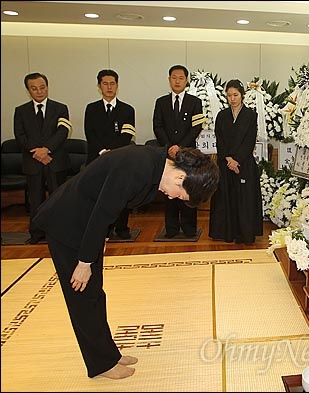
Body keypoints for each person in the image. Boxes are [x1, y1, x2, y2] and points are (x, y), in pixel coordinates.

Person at [32, 144, 219, 380]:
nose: (172, 197)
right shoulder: (138, 167)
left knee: (95, 294)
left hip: (87, 225)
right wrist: (84, 261)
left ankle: (108, 353)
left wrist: (101, 238)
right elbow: (102, 211)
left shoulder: (155, 164)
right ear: (181, 177)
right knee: (82, 297)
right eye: (179, 194)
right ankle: (101, 364)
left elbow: (111, 206)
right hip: (67, 223)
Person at [13, 72, 72, 244]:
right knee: (35, 199)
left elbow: (62, 132)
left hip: (55, 161)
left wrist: (46, 150)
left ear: (47, 87)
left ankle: (59, 233)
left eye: (42, 87)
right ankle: (37, 234)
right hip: (33, 162)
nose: (39, 91)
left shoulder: (60, 108)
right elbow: (20, 135)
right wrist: (38, 153)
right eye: (34, 88)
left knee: (58, 200)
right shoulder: (21, 111)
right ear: (28, 90)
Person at [153, 65, 206, 238]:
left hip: (189, 154)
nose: (177, 81)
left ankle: (190, 228)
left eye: (181, 78)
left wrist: (180, 148)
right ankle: (172, 228)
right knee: (169, 190)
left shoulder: (195, 102)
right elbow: (157, 126)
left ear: (186, 80)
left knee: (188, 189)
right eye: (174, 77)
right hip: (167, 155)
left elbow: (196, 127)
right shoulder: (161, 102)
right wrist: (169, 147)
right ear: (169, 80)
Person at [208, 79, 263, 244]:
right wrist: (228, 160)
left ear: (242, 95)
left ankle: (244, 233)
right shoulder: (222, 115)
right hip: (225, 164)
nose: (232, 98)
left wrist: (237, 160)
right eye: (229, 95)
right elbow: (220, 140)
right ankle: (226, 233)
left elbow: (249, 141)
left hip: (244, 163)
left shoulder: (251, 115)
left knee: (244, 199)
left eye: (235, 95)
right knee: (225, 197)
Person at [84, 69, 136, 239]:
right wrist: (102, 152)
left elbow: (126, 134)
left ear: (117, 85)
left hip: (120, 158)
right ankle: (103, 228)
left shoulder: (127, 110)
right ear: (99, 86)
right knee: (100, 196)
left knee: (121, 194)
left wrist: (111, 152)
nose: (109, 87)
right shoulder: (91, 109)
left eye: (112, 83)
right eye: (105, 83)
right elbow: (90, 133)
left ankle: (121, 227)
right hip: (97, 159)